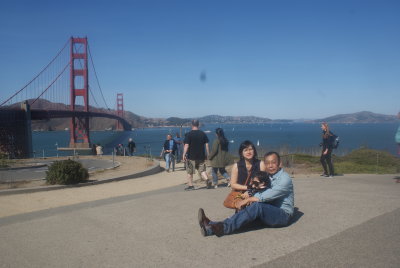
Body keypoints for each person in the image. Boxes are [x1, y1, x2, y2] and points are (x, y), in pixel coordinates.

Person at [198, 152, 294, 237]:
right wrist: (247, 194)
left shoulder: (285, 179)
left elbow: (268, 195)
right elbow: (258, 188)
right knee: (244, 218)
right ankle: (210, 227)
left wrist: (248, 199)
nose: (270, 166)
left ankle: (222, 228)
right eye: (267, 163)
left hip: (282, 215)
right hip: (269, 209)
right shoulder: (267, 176)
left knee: (257, 206)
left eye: (273, 162)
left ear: (280, 163)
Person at [182, 120, 211, 190]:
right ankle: (207, 180)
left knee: (190, 172)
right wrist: (208, 154)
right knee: (202, 171)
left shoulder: (189, 134)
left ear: (192, 125)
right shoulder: (203, 134)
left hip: (191, 157)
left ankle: (191, 186)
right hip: (201, 156)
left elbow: (186, 145)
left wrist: (183, 154)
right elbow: (207, 145)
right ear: (198, 125)